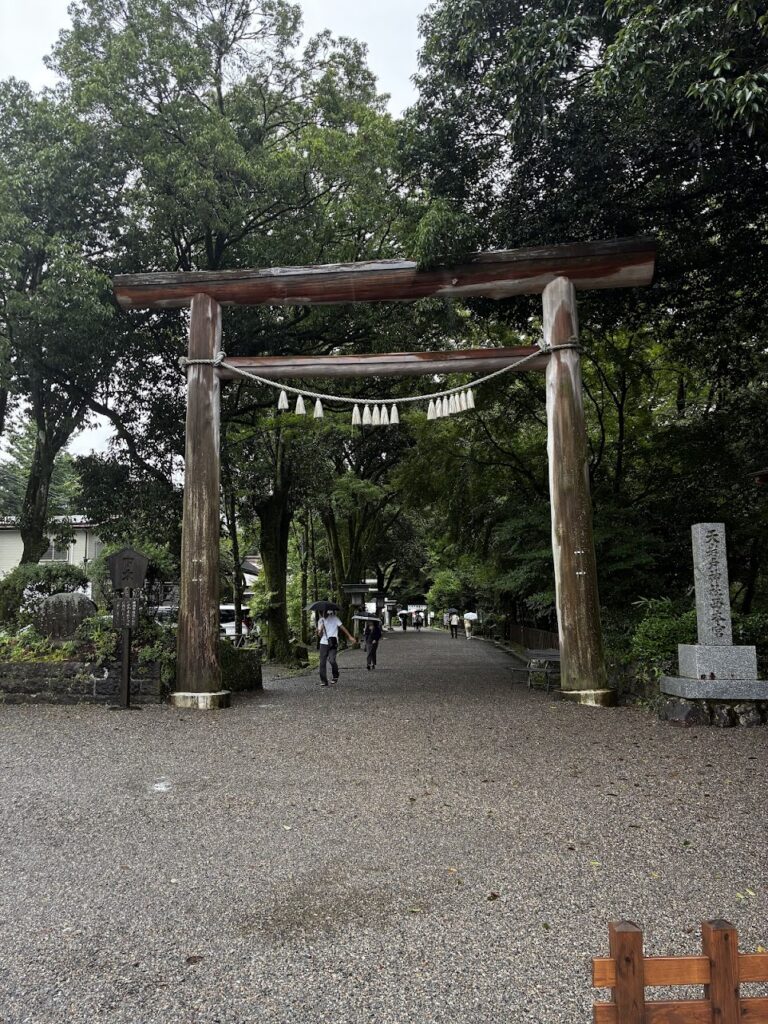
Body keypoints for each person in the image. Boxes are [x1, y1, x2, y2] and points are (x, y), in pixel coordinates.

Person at [317, 608, 355, 686]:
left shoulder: (334, 618)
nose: (321, 613)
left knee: (332, 660)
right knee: (322, 662)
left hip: (333, 642)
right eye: (319, 612)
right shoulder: (320, 621)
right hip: (323, 643)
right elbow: (319, 635)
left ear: (325, 611)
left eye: (321, 611)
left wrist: (350, 637)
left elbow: (343, 628)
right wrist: (320, 630)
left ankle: (335, 675)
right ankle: (324, 681)